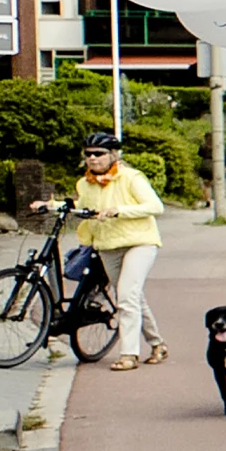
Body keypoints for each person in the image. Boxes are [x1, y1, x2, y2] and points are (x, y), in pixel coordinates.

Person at [67, 134, 169, 369]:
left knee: (126, 296)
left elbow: (155, 206)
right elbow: (83, 207)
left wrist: (119, 210)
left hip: (139, 242)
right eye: (88, 154)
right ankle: (157, 344)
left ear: (113, 155)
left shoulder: (131, 178)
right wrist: (51, 206)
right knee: (131, 297)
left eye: (99, 154)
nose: (93, 159)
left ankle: (129, 355)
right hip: (107, 245)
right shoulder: (85, 183)